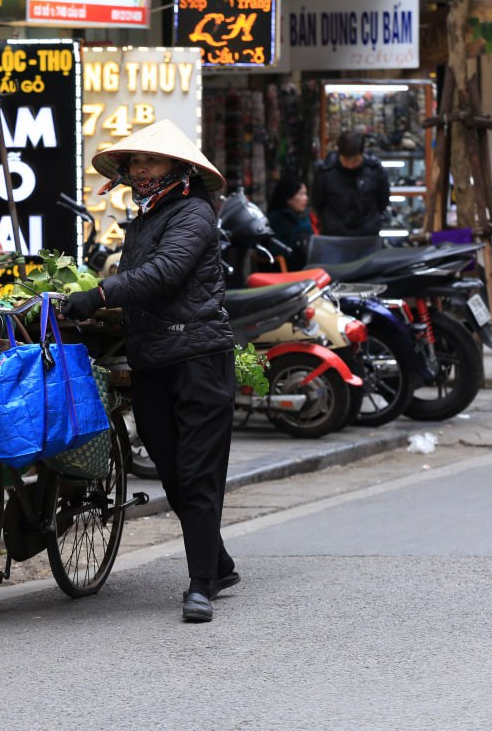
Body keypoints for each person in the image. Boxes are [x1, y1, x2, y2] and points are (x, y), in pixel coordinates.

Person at [61, 119, 238, 624]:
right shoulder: (143, 219)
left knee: (198, 475)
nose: (140, 169)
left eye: (151, 161)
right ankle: (219, 562)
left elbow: (165, 273)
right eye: (135, 162)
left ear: (178, 169)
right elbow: (138, 281)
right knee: (174, 473)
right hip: (153, 360)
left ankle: (200, 585)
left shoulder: (194, 213)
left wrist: (98, 294)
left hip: (199, 358)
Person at [311, 130, 391, 237]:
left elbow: (383, 201)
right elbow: (318, 202)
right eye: (346, 160)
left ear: (362, 154)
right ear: (340, 154)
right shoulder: (325, 171)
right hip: (334, 235)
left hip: (367, 235)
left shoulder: (375, 171)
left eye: (355, 161)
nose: (350, 165)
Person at [267, 174, 313, 270]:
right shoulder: (276, 220)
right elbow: (273, 250)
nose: (306, 198)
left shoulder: (303, 218)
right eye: (301, 194)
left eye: (306, 194)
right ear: (288, 198)